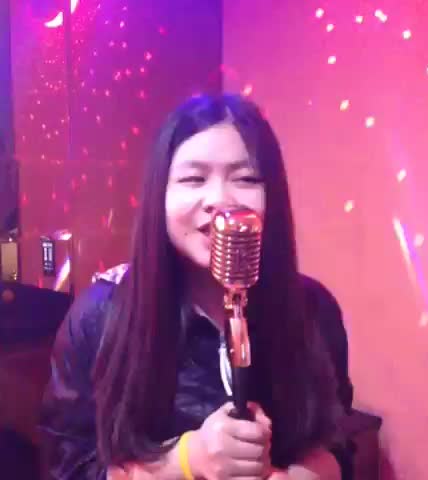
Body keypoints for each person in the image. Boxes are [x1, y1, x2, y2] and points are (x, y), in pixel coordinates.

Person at [39, 93, 354, 479]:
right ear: (160, 195)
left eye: (246, 179)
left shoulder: (313, 309)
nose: (220, 199)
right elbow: (69, 468)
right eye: (193, 179)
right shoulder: (99, 316)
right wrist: (188, 460)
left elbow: (338, 442)